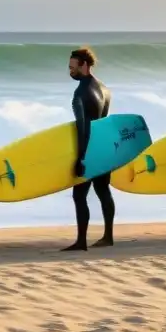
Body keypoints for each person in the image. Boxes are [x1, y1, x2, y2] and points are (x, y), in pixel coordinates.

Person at [62, 46, 115, 252]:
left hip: (90, 150)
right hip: (105, 148)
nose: (70, 72)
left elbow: (83, 128)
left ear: (84, 65)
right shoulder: (104, 88)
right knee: (103, 190)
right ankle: (108, 236)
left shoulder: (81, 93)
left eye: (72, 68)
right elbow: (102, 123)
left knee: (79, 195)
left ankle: (81, 241)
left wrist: (81, 158)